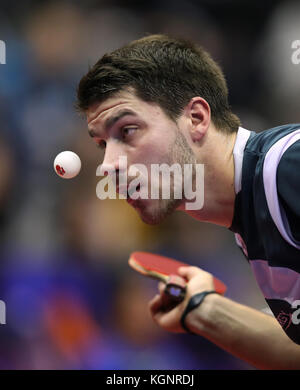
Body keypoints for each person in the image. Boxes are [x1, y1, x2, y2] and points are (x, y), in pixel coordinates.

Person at [76, 34, 300, 369]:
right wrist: (205, 310)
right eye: (102, 145)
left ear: (196, 118)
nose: (108, 165)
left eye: (127, 131)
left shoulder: (288, 166)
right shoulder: (252, 212)